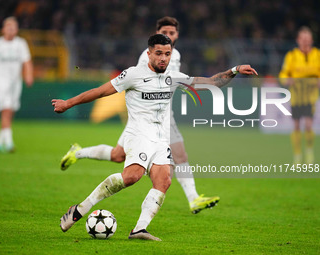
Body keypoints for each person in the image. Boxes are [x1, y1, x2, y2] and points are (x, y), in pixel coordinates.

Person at [52, 34, 257, 240]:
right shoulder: (133, 75)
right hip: (138, 133)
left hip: (161, 138)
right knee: (132, 176)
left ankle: (139, 229)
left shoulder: (173, 77)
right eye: (158, 53)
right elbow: (99, 91)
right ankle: (79, 209)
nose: (163, 58)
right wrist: (67, 103)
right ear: (149, 53)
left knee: (164, 181)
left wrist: (234, 70)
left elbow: (211, 82)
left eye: (167, 54)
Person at [60, 16, 219, 214]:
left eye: (172, 33)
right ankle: (192, 199)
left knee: (118, 155)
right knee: (174, 157)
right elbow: (138, 83)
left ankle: (78, 152)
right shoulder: (149, 57)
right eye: (164, 32)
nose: (168, 35)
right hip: (145, 117)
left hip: (163, 115)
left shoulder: (174, 55)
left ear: (177, 34)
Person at [0, 16, 33, 152]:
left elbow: (26, 62)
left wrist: (28, 76)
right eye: (8, 27)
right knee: (6, 108)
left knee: (11, 110)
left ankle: (0, 141)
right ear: (3, 29)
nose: (11, 30)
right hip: (0, 80)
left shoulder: (21, 44)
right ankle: (9, 143)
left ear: (16, 30)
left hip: (16, 82)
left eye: (13, 28)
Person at [279, 26, 320, 164]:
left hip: (310, 97)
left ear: (312, 40)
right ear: (298, 40)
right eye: (302, 39)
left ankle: (308, 151)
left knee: (308, 125)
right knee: (296, 126)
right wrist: (286, 80)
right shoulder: (292, 56)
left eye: (307, 39)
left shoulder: (317, 55)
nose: (305, 42)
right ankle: (297, 154)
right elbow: (283, 74)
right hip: (296, 97)